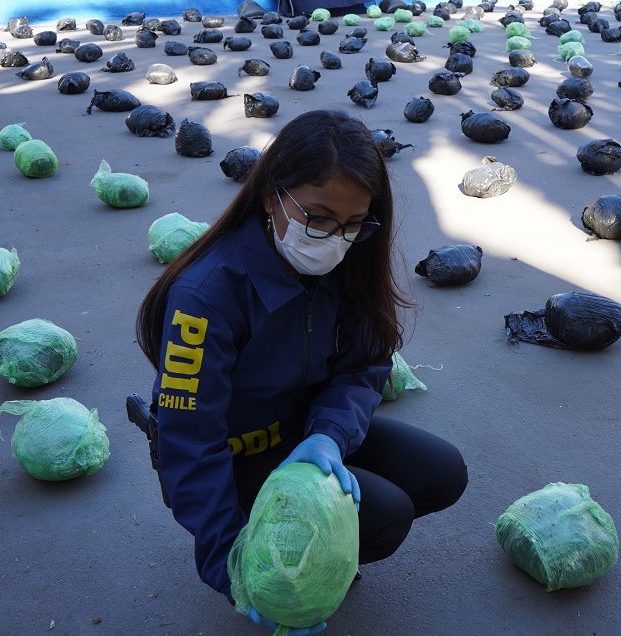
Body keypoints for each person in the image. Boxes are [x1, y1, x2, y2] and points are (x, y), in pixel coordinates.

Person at [136, 110, 468, 634]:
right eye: (317, 218)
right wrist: (234, 568)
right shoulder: (205, 298)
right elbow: (189, 442)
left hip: (304, 431)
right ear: (272, 195)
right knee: (386, 515)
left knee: (442, 471)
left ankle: (317, 534)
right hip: (236, 452)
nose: (335, 239)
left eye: (353, 224)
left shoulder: (350, 262)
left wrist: (329, 437)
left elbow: (364, 366)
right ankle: (273, 542)